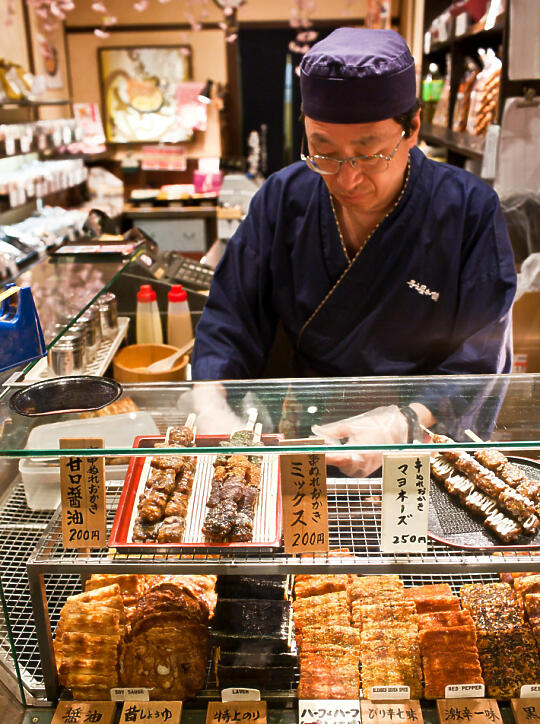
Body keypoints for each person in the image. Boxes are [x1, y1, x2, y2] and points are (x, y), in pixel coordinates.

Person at [191, 27, 516, 475]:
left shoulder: (468, 210)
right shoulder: (282, 197)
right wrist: (209, 399)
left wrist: (402, 423)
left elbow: (481, 358)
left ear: (413, 129)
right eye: (323, 152)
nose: (347, 180)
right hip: (306, 437)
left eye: (369, 155)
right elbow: (231, 316)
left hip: (416, 442)